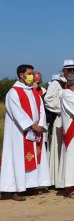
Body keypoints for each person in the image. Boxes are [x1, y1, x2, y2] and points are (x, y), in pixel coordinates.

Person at [0, 64, 50, 201]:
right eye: (29, 73)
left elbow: (41, 109)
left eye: (32, 73)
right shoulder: (13, 92)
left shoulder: (33, 91)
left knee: (31, 158)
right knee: (17, 159)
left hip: (34, 132)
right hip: (19, 132)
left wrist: (40, 125)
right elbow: (17, 112)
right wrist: (31, 125)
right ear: (21, 75)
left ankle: (28, 186)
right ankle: (15, 190)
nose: (32, 76)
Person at [44, 60, 74, 186]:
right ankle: (59, 180)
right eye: (69, 69)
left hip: (73, 119)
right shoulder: (56, 83)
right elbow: (48, 100)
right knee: (60, 148)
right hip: (60, 119)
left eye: (73, 70)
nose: (72, 72)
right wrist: (62, 108)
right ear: (63, 71)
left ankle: (72, 178)